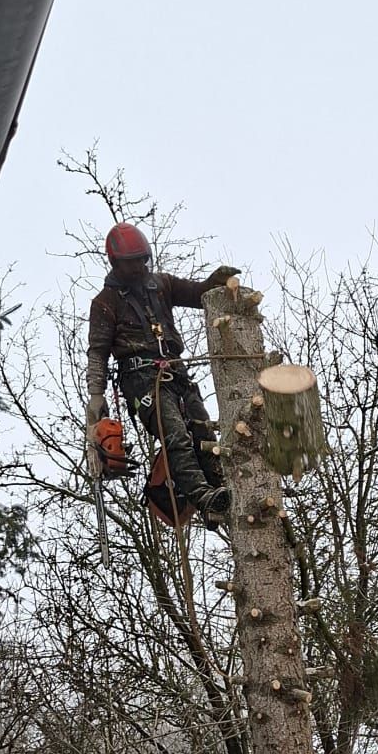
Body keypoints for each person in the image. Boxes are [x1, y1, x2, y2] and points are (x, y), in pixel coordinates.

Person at [86, 223, 240, 527]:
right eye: (132, 262)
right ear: (117, 263)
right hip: (141, 379)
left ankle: (223, 491)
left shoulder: (162, 284)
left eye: (142, 260)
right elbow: (98, 352)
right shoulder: (105, 302)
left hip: (175, 371)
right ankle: (203, 496)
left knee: (204, 433)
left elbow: (197, 294)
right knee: (176, 436)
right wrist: (96, 395)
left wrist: (213, 283)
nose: (139, 267)